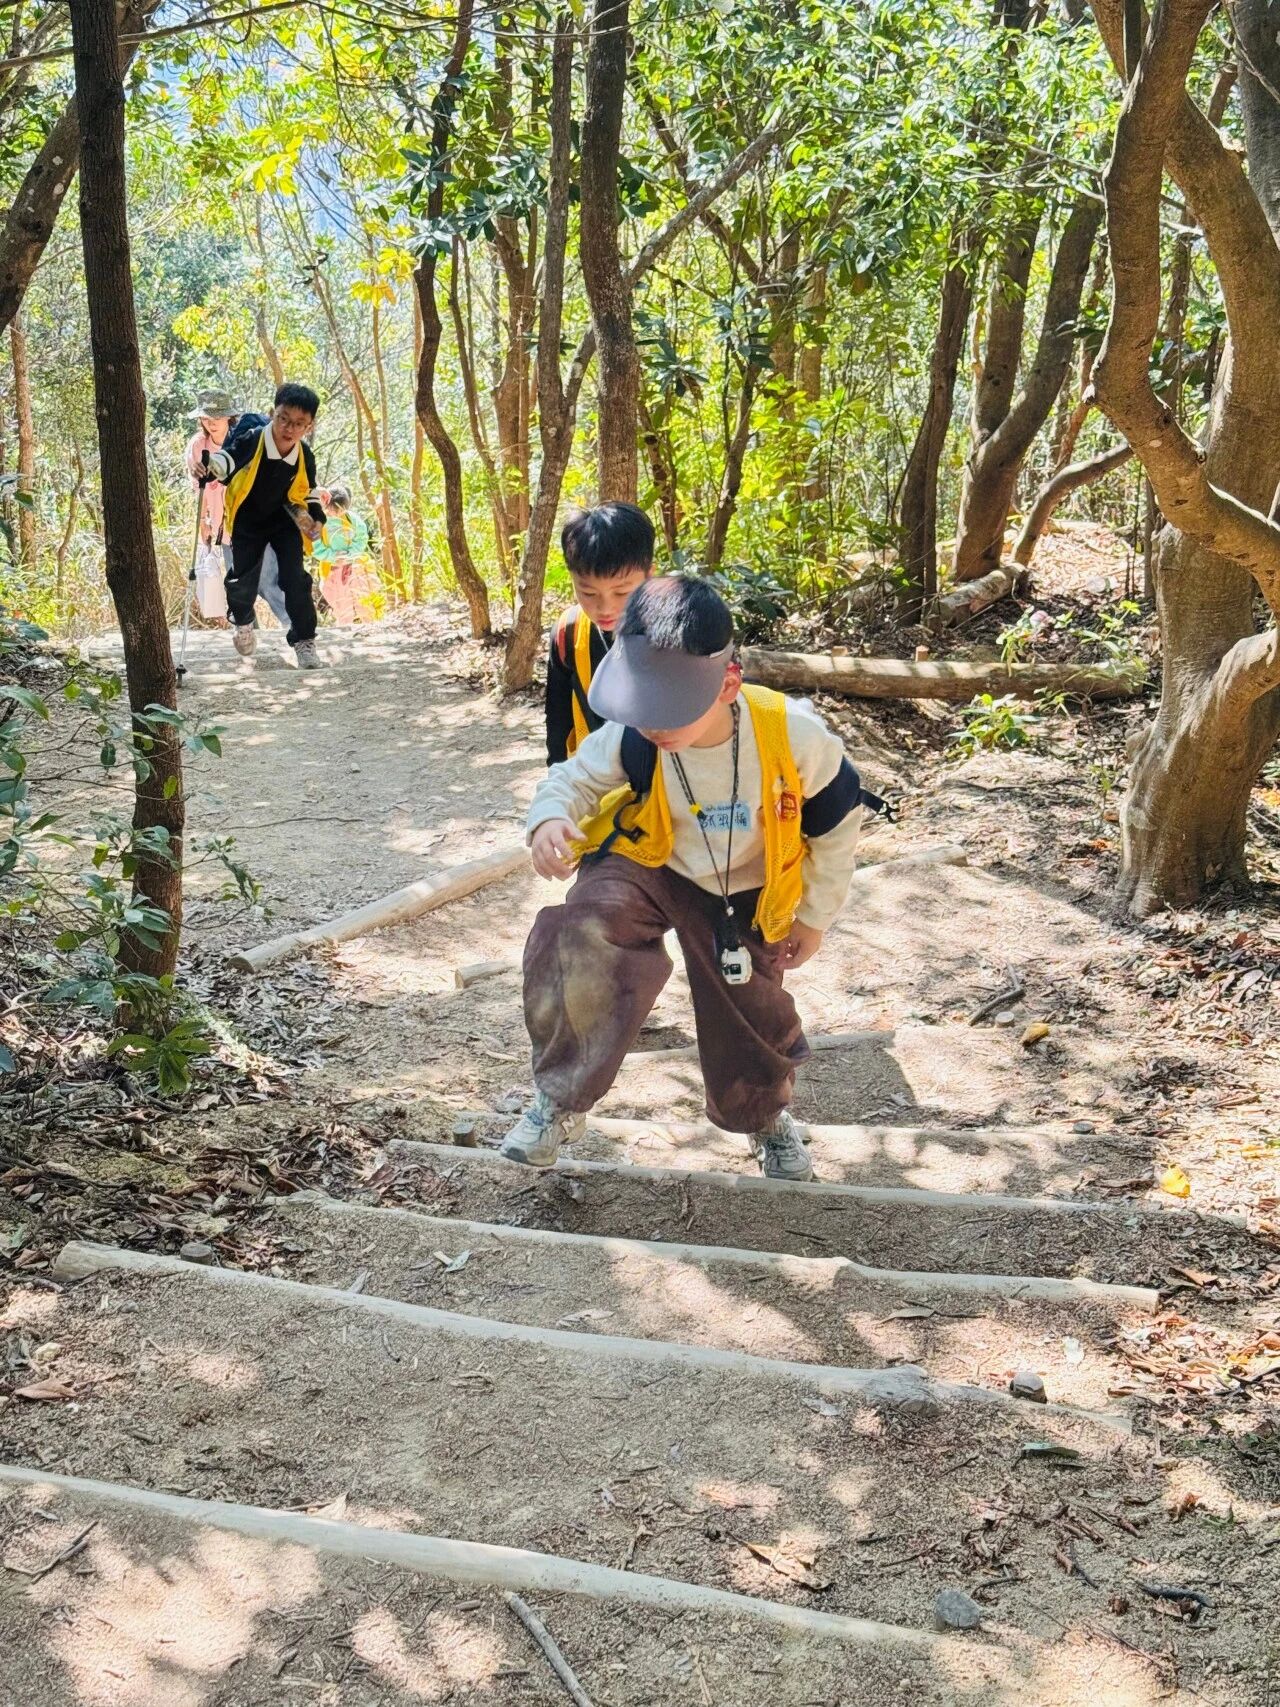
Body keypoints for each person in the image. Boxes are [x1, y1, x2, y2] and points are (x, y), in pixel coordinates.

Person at [503, 575, 871, 1183]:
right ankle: (559, 1102)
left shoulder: (795, 737)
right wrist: (548, 820)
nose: (655, 726)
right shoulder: (635, 735)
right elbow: (572, 779)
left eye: (672, 710)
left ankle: (762, 1117)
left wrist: (815, 918)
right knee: (578, 929)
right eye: (645, 708)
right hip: (655, 862)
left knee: (750, 1004)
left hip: (747, 886)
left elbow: (837, 831)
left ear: (729, 684)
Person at [202, 382, 326, 669]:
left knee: (295, 579)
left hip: (284, 521)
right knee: (242, 578)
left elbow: (310, 491)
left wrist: (317, 518)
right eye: (284, 419)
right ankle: (243, 622)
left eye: (299, 424)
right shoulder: (253, 438)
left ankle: (304, 641)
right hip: (249, 518)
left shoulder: (305, 455)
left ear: (309, 426)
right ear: (273, 413)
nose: (289, 428)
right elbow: (228, 458)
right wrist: (210, 466)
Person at [545, 502, 654, 766]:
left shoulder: (678, 632)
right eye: (589, 593)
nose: (606, 608)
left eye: (621, 592)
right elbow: (559, 728)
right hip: (594, 790)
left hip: (664, 790)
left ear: (649, 575)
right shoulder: (568, 633)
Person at [184, 389, 290, 629]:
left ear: (229, 417)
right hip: (226, 528)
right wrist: (203, 523)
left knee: (267, 581)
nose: (211, 423)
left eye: (217, 417)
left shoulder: (247, 437)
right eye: (206, 418)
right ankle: (249, 635)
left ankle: (296, 628)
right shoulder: (198, 446)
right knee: (239, 585)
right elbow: (198, 489)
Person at [313, 484, 381, 624]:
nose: (337, 514)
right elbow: (315, 546)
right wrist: (332, 556)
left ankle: (370, 625)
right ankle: (345, 628)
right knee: (340, 602)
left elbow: (362, 538)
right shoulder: (319, 521)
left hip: (355, 565)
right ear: (326, 504)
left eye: (341, 511)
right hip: (332, 568)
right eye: (333, 510)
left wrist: (351, 554)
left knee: (363, 595)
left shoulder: (352, 520)